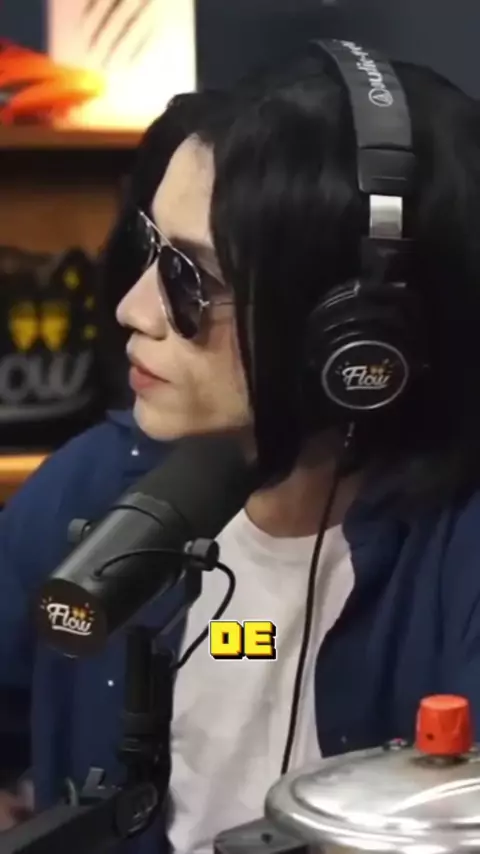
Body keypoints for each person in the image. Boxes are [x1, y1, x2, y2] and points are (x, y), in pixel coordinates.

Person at [3, 38, 480, 854]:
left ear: (357, 336)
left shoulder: (459, 551)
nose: (133, 309)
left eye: (190, 277)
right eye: (152, 250)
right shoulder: (86, 488)